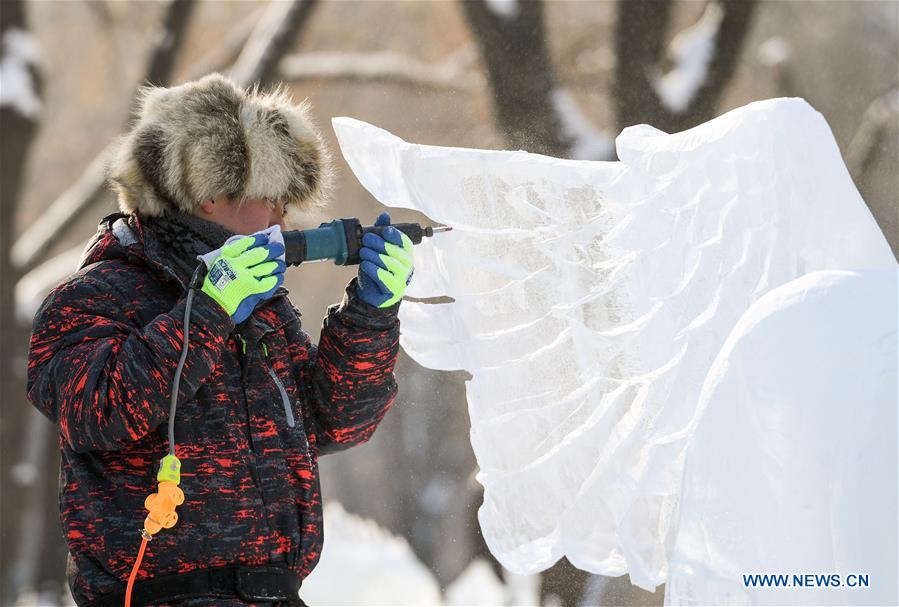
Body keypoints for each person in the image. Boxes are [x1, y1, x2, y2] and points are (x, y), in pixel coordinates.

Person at [26, 74, 414, 607]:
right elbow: (100, 410)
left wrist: (370, 316)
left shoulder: (264, 312)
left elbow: (334, 423)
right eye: (273, 197)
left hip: (277, 593)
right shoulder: (93, 297)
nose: (283, 217)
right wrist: (208, 310)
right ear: (210, 192)